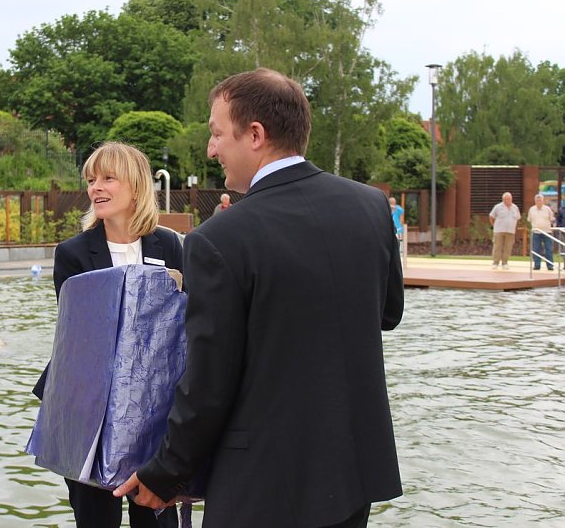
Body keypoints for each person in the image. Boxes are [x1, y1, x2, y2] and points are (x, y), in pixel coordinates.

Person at [114, 68, 404, 528]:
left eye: (215, 133)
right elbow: (388, 314)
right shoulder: (370, 205)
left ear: (254, 134)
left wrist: (166, 472)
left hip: (262, 482)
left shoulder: (218, 238)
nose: (211, 149)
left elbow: (210, 382)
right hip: (352, 470)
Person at [34, 141, 182, 528]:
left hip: (155, 410)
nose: (95, 187)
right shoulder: (73, 253)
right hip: (88, 411)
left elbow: (182, 329)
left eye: (107, 178)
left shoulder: (171, 246)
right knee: (95, 519)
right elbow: (78, 336)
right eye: (90, 180)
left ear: (136, 186)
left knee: (157, 518)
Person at [489, 191, 521, 269]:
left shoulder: (515, 207)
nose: (509, 200)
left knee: (508, 247)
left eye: (510, 199)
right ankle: (495, 262)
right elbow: (491, 216)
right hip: (499, 230)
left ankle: (505, 262)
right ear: (503, 199)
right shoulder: (498, 207)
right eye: (507, 199)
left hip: (510, 231)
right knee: (497, 246)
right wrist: (494, 226)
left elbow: (518, 218)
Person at [527, 193, 555, 271]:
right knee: (536, 249)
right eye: (537, 200)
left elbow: (552, 219)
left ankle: (550, 265)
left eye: (540, 200)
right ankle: (537, 265)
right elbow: (529, 220)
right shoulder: (532, 209)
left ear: (543, 201)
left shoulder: (547, 209)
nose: (538, 201)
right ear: (535, 201)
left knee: (548, 249)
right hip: (536, 232)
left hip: (547, 232)